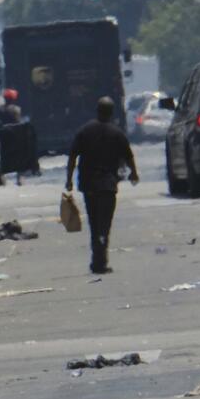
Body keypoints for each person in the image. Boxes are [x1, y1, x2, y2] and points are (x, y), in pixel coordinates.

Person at [66, 97, 139, 274]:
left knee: (94, 222)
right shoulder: (117, 133)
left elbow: (72, 156)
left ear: (97, 110)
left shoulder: (84, 131)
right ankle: (101, 260)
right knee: (104, 224)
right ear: (111, 112)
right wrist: (134, 173)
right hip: (107, 186)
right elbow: (129, 156)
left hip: (89, 185)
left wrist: (68, 180)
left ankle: (97, 260)